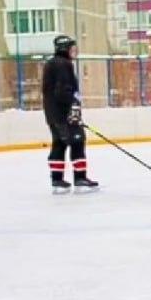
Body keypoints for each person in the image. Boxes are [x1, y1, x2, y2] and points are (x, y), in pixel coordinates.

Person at [41, 35, 98, 194]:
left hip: (53, 114)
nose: (75, 51)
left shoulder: (51, 64)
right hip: (64, 114)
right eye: (72, 48)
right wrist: (72, 107)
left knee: (59, 143)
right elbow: (63, 90)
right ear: (65, 49)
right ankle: (80, 178)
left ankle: (57, 180)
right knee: (77, 141)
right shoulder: (63, 65)